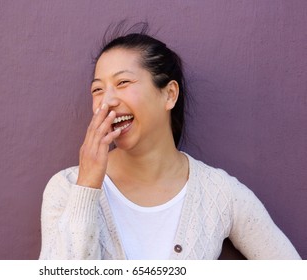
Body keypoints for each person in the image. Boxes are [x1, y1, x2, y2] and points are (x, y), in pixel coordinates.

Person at [38, 23, 301, 260]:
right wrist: (87, 186)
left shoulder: (219, 194)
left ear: (169, 95)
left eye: (123, 82)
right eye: (98, 89)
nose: (106, 101)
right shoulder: (66, 187)